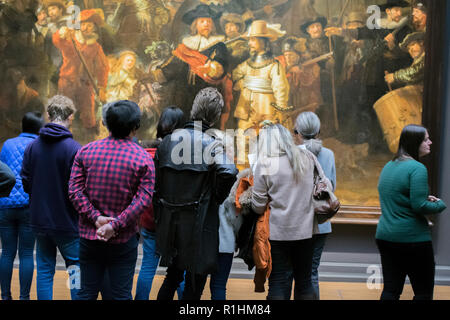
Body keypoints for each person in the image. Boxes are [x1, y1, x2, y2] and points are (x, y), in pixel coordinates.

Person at [155, 87, 238, 300]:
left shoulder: (167, 141)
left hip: (171, 223)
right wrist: (217, 197)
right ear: (215, 115)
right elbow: (228, 170)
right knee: (195, 283)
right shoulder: (211, 144)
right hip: (199, 227)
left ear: (193, 109)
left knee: (171, 278)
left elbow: (157, 183)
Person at [68, 100, 155, 300]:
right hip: (123, 240)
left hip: (90, 236)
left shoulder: (86, 151)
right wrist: (115, 225)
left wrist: (96, 218)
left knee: (85, 293)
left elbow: (74, 190)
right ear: (135, 127)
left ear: (106, 123)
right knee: (121, 295)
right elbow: (143, 199)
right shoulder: (143, 159)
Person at [251, 122, 327, 300]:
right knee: (305, 282)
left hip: (278, 234)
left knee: (278, 281)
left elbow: (258, 205)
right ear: (286, 138)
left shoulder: (265, 163)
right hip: (306, 232)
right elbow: (326, 185)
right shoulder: (306, 156)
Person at [20, 95, 81, 300]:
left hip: (39, 220)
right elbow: (78, 189)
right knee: (75, 268)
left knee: (45, 270)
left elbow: (26, 182)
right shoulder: (74, 149)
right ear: (70, 117)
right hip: (67, 221)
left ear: (48, 115)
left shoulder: (33, 146)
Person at [376, 124, 447, 300]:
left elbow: (399, 197)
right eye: (426, 139)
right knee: (423, 293)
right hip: (412, 239)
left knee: (391, 290)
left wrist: (422, 197)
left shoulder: (389, 165)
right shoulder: (417, 168)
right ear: (415, 143)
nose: (430, 142)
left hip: (386, 237)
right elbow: (419, 206)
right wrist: (440, 205)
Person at [135, 106, 186, 300]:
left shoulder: (146, 152)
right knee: (179, 268)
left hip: (151, 218)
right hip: (177, 220)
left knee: (148, 264)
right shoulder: (185, 155)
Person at [149, 4, 229, 117]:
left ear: (213, 26)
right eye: (202, 21)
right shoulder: (186, 45)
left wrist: (211, 68)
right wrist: (157, 73)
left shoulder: (219, 44)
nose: (206, 24)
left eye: (209, 21)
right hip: (184, 93)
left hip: (207, 91)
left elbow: (222, 62)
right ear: (195, 25)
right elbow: (174, 66)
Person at [232, 20, 289, 165]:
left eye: (253, 40)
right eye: (249, 40)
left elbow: (281, 89)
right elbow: (235, 75)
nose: (250, 43)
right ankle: (243, 175)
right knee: (243, 139)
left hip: (266, 108)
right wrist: (242, 83)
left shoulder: (274, 66)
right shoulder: (246, 64)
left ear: (263, 42)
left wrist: (280, 111)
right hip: (246, 108)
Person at [0, 112, 44, 300]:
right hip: (29, 205)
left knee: (7, 252)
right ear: (39, 128)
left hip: (5, 204)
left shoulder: (8, 144)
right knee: (27, 253)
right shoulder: (40, 145)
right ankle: (24, 297)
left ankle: (5, 295)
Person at [293, 111, 336, 300]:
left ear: (297, 132)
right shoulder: (328, 154)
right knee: (311, 273)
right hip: (320, 221)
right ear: (318, 131)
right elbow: (332, 186)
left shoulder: (292, 155)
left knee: (294, 273)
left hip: (296, 221)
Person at [53, 9, 109, 131]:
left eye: (90, 25)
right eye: (83, 24)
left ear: (94, 28)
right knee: (64, 111)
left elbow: (102, 68)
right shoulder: (70, 39)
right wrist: (61, 34)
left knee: (88, 113)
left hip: (86, 84)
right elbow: (58, 41)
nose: (86, 28)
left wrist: (101, 87)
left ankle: (89, 139)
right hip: (68, 81)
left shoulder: (96, 46)